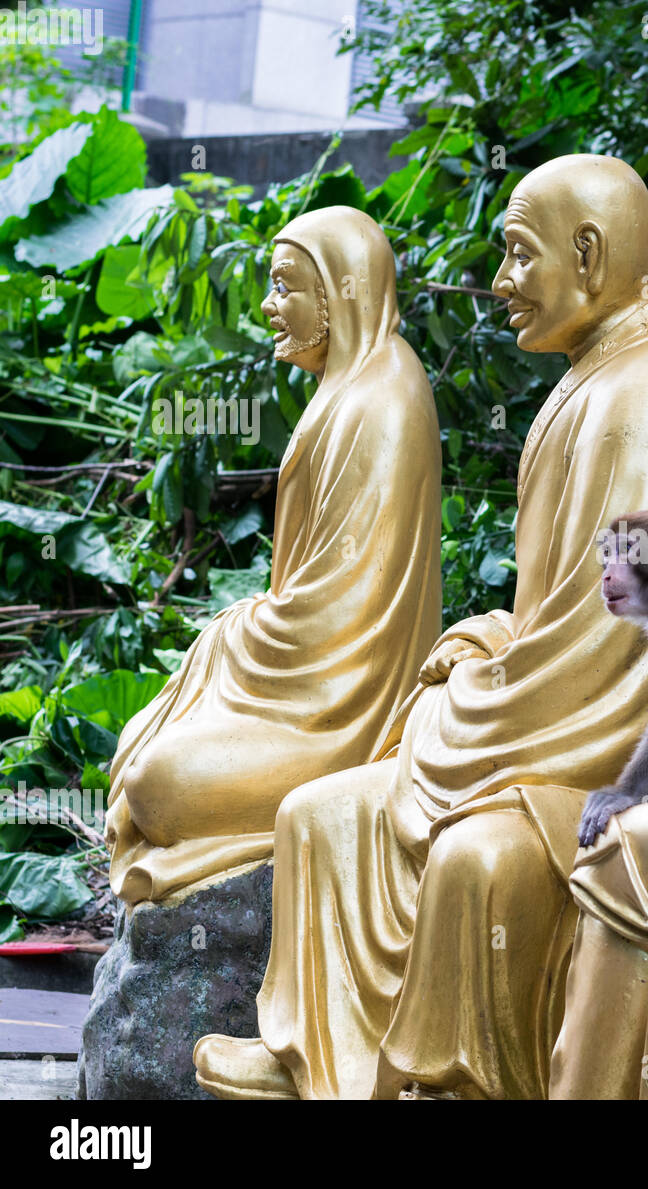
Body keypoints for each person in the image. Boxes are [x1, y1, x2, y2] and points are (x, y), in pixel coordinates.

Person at [194, 154, 648, 1099]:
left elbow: (621, 643)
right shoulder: (595, 369)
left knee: (477, 860)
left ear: (589, 256)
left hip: (612, 747)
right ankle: (318, 1052)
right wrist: (491, 639)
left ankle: (447, 1079)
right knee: (315, 813)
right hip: (548, 701)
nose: (502, 284)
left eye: (519, 256)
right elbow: (557, 608)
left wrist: (478, 699)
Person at [107, 206, 442, 906]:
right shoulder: (343, 388)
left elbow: (339, 621)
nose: (268, 307)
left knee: (157, 784)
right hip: (296, 689)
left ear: (340, 291)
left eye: (285, 287)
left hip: (343, 715)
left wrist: (232, 633)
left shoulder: (383, 400)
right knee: (141, 735)